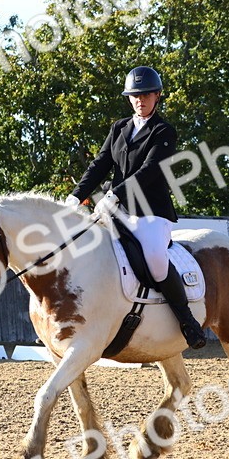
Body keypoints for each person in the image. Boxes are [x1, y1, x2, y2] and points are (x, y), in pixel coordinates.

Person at [65, 66, 207, 349]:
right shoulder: (119, 128)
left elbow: (150, 170)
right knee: (85, 248)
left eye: (145, 95)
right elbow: (100, 164)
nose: (140, 100)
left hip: (150, 212)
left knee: (155, 260)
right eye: (134, 96)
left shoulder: (164, 130)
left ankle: (186, 319)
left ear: (157, 96)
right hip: (114, 209)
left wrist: (115, 194)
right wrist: (77, 195)